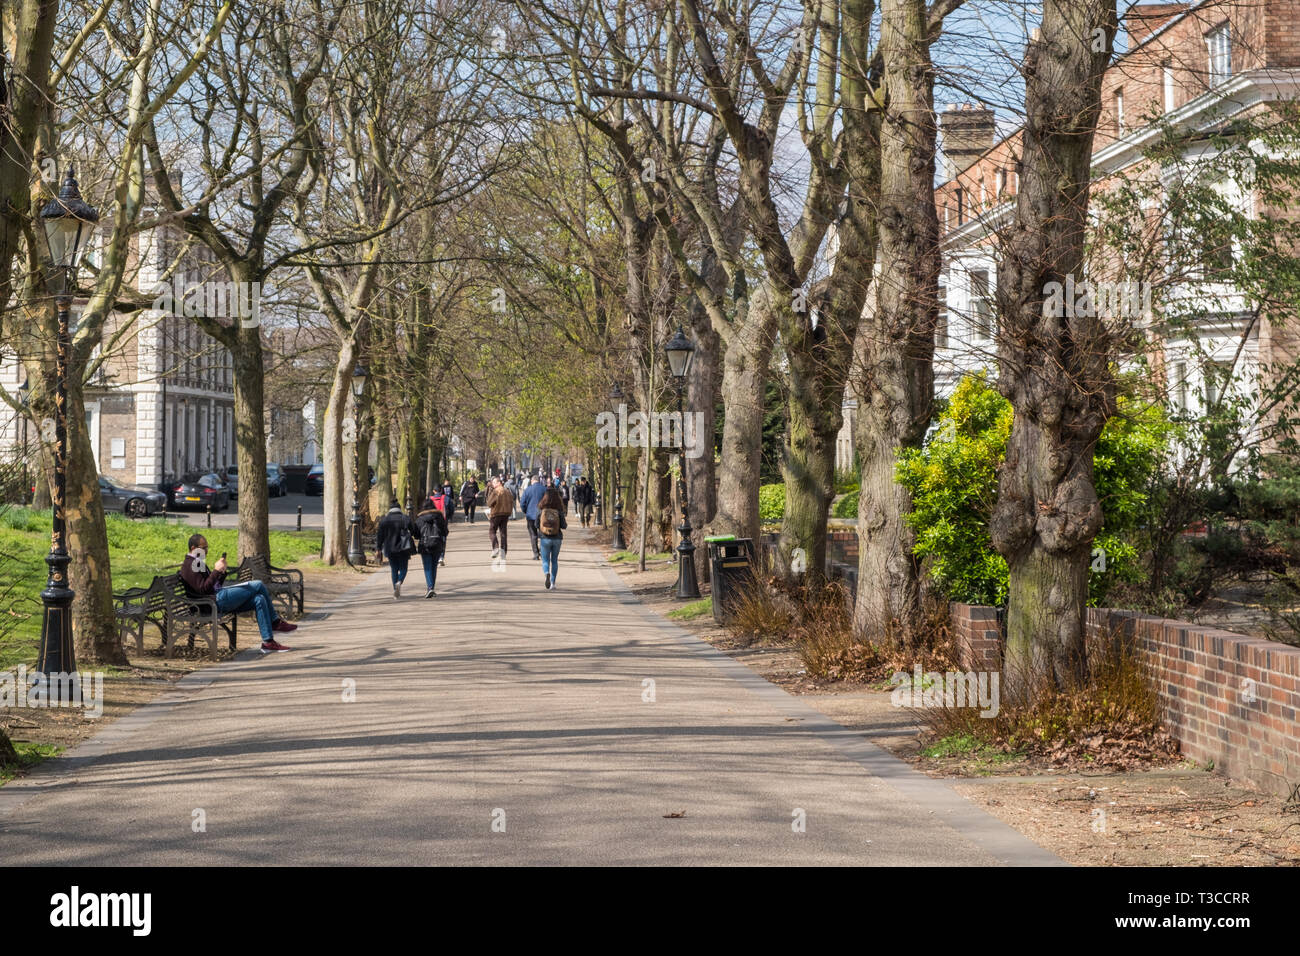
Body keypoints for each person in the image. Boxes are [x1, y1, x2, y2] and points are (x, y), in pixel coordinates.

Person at [180, 533, 295, 653]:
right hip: (212, 603)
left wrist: (221, 572)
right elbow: (203, 589)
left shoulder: (197, 562)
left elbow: (211, 585)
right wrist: (215, 571)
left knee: (259, 599)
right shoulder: (190, 565)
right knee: (258, 585)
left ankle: (268, 642)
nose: (206, 550)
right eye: (203, 548)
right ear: (193, 548)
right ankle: (275, 622)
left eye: (207, 547)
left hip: (216, 598)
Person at [376, 499, 418, 598]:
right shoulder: (405, 518)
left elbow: (380, 536)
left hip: (390, 548)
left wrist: (378, 548)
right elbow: (413, 530)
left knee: (394, 569)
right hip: (403, 548)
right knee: (404, 568)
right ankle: (399, 581)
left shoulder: (384, 520)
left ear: (390, 509)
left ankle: (395, 589)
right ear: (399, 509)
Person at [415, 494, 449, 598]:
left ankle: (430, 588)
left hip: (425, 545)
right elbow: (445, 532)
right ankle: (431, 588)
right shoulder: (439, 517)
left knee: (427, 567)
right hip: (437, 544)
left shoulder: (420, 519)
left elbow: (416, 534)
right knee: (434, 566)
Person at [537, 485, 567, 590]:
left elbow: (537, 524)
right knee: (554, 560)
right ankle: (553, 583)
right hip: (557, 538)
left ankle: (546, 573)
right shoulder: (559, 510)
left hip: (545, 537)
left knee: (545, 560)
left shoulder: (542, 509)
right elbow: (564, 525)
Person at [520, 474, 548, 560]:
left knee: (533, 535)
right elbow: (548, 501)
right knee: (543, 534)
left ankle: (536, 554)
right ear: (538, 481)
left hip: (531, 515)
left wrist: (526, 511)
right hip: (542, 515)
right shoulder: (544, 489)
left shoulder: (527, 490)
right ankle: (543, 554)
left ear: (532, 481)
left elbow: (522, 503)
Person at [486, 476, 514, 559]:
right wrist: (509, 511)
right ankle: (503, 552)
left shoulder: (496, 491)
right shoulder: (507, 491)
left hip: (496, 513)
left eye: (494, 483)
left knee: (492, 531)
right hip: (505, 514)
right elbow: (511, 502)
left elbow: (489, 503)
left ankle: (495, 548)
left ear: (499, 483)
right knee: (503, 533)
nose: (493, 484)